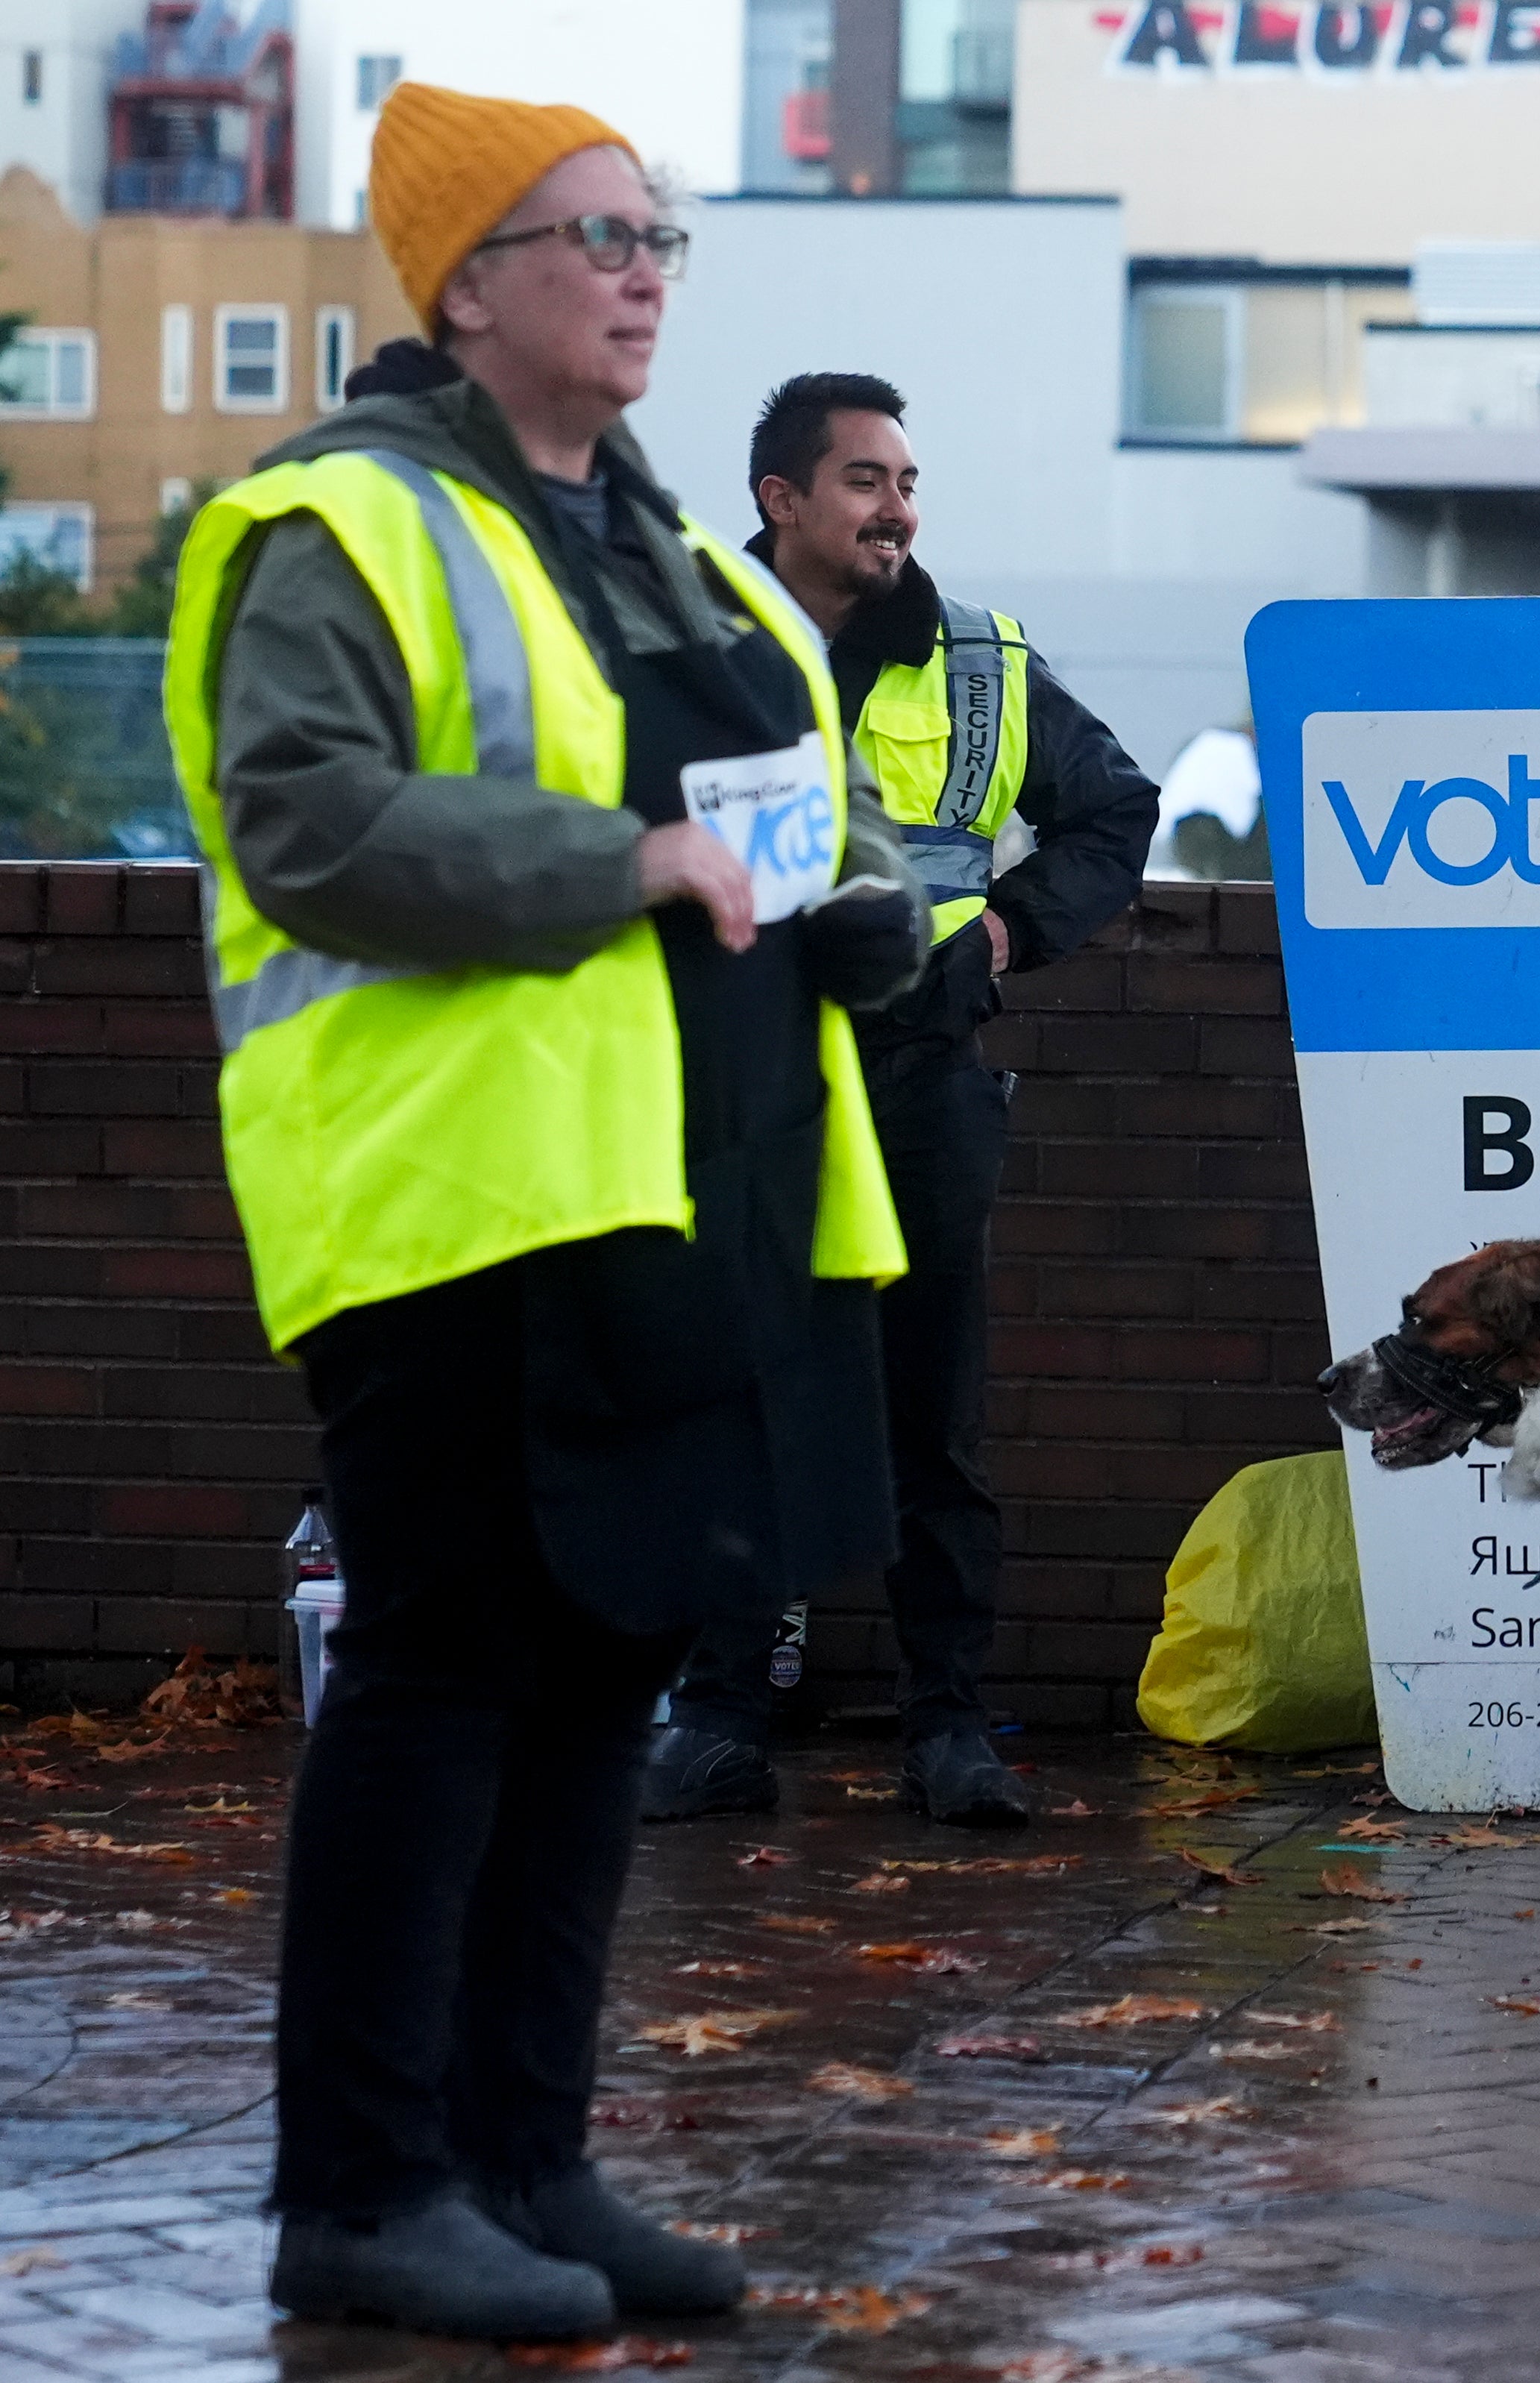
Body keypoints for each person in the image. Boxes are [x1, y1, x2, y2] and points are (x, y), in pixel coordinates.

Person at [170, 84, 927, 2339]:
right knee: (439, 1674)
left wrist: (866, 906)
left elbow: (761, 829)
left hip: (682, 1203)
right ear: (463, 282)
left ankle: (526, 2160)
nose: (640, 267)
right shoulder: (339, 523)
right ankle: (363, 2193)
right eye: (585, 231)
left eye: (657, 232)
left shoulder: (678, 556)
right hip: (448, 1204)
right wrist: (618, 871)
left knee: (603, 1679)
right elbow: (303, 822)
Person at [641, 375, 1156, 1828]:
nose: (896, 508)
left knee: (933, 1416)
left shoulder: (980, 659)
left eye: (907, 480)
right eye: (864, 479)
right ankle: (721, 1720)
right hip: (740, 1080)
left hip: (921, 1071)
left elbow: (1114, 809)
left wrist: (1004, 933)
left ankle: (946, 1729)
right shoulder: (690, 649)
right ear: (780, 499)